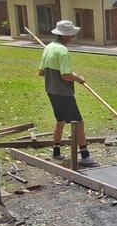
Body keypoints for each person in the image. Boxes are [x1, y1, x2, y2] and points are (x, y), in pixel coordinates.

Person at [38, 20, 98, 167]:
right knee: (79, 123)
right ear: (65, 36)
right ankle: (85, 157)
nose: (73, 37)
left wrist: (55, 72)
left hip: (51, 90)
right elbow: (66, 75)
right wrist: (79, 78)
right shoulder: (63, 51)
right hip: (63, 93)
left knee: (60, 121)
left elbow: (41, 72)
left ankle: (56, 152)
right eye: (71, 35)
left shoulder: (49, 48)